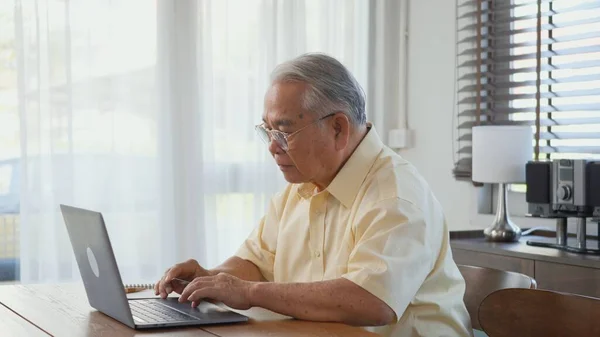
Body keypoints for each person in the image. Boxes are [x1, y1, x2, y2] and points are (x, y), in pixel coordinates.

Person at [155, 53, 472, 337]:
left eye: (283, 132)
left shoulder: (396, 196)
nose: (272, 146)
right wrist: (209, 280)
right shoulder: (299, 186)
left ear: (338, 128)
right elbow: (255, 262)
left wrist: (248, 292)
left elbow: (371, 300)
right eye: (266, 130)